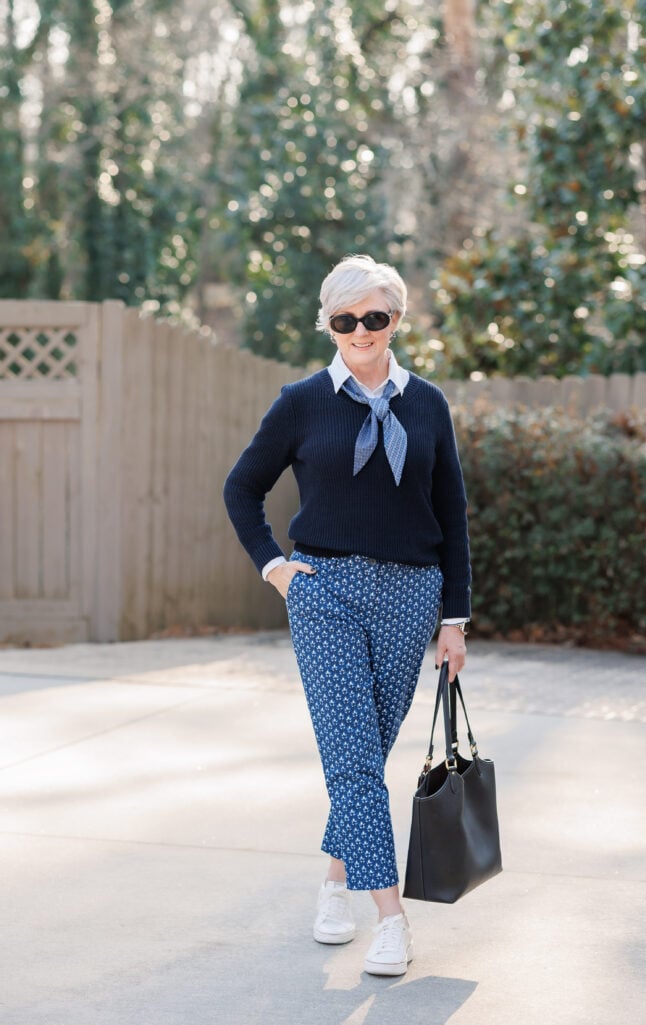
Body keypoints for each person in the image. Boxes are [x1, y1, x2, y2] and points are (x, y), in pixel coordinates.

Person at [223, 254, 471, 977]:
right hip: (323, 592)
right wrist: (276, 568)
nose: (359, 331)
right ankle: (388, 917)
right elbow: (242, 488)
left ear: (395, 319)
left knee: (360, 758)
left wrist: (453, 619)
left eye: (374, 317)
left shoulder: (427, 404)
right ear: (327, 322)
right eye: (344, 319)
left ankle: (333, 882)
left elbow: (450, 513)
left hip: (411, 594)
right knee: (355, 759)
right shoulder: (300, 402)